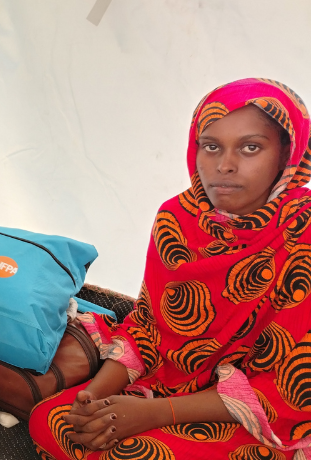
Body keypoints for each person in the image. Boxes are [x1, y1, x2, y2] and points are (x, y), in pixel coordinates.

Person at [29, 78, 311, 459]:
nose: (225, 165)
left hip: (260, 418)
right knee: (52, 420)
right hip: (165, 386)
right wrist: (94, 397)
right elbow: (147, 327)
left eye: (250, 147)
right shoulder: (176, 219)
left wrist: (154, 414)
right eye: (210, 146)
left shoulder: (302, 234)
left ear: (286, 154)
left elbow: (293, 388)